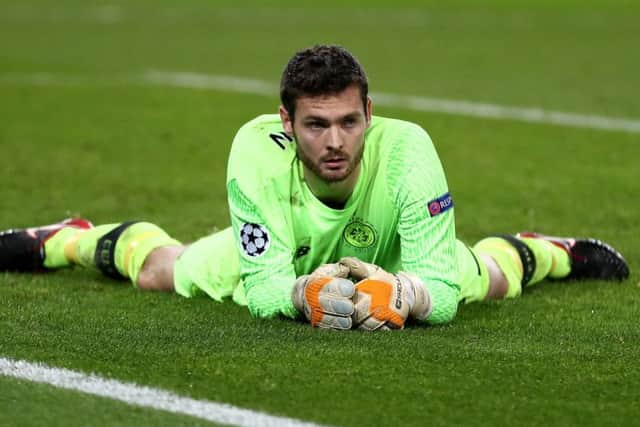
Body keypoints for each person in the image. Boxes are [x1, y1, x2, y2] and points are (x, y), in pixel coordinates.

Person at [0, 45, 630, 330]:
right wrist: (304, 293)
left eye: (350, 122)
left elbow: (437, 282)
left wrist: (405, 293)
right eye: (317, 125)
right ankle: (73, 242)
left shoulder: (409, 151)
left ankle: (547, 251)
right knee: (161, 271)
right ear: (287, 122)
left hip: (392, 258)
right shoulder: (255, 151)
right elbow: (265, 288)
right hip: (286, 252)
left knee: (485, 281)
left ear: (369, 114)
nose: (336, 142)